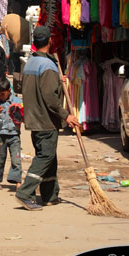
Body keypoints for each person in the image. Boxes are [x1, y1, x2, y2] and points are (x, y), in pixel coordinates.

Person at [16, 25, 80, 211]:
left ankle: (50, 195)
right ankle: (25, 192)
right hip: (45, 120)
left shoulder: (31, 63)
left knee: (50, 158)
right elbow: (50, 97)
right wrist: (66, 115)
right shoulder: (48, 66)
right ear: (50, 41)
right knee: (45, 156)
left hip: (34, 118)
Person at [0, 77, 23, 189]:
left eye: (3, 94)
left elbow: (23, 116)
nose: (0, 96)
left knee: (16, 159)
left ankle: (17, 182)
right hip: (0, 136)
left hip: (14, 135)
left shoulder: (18, 102)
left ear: (9, 91)